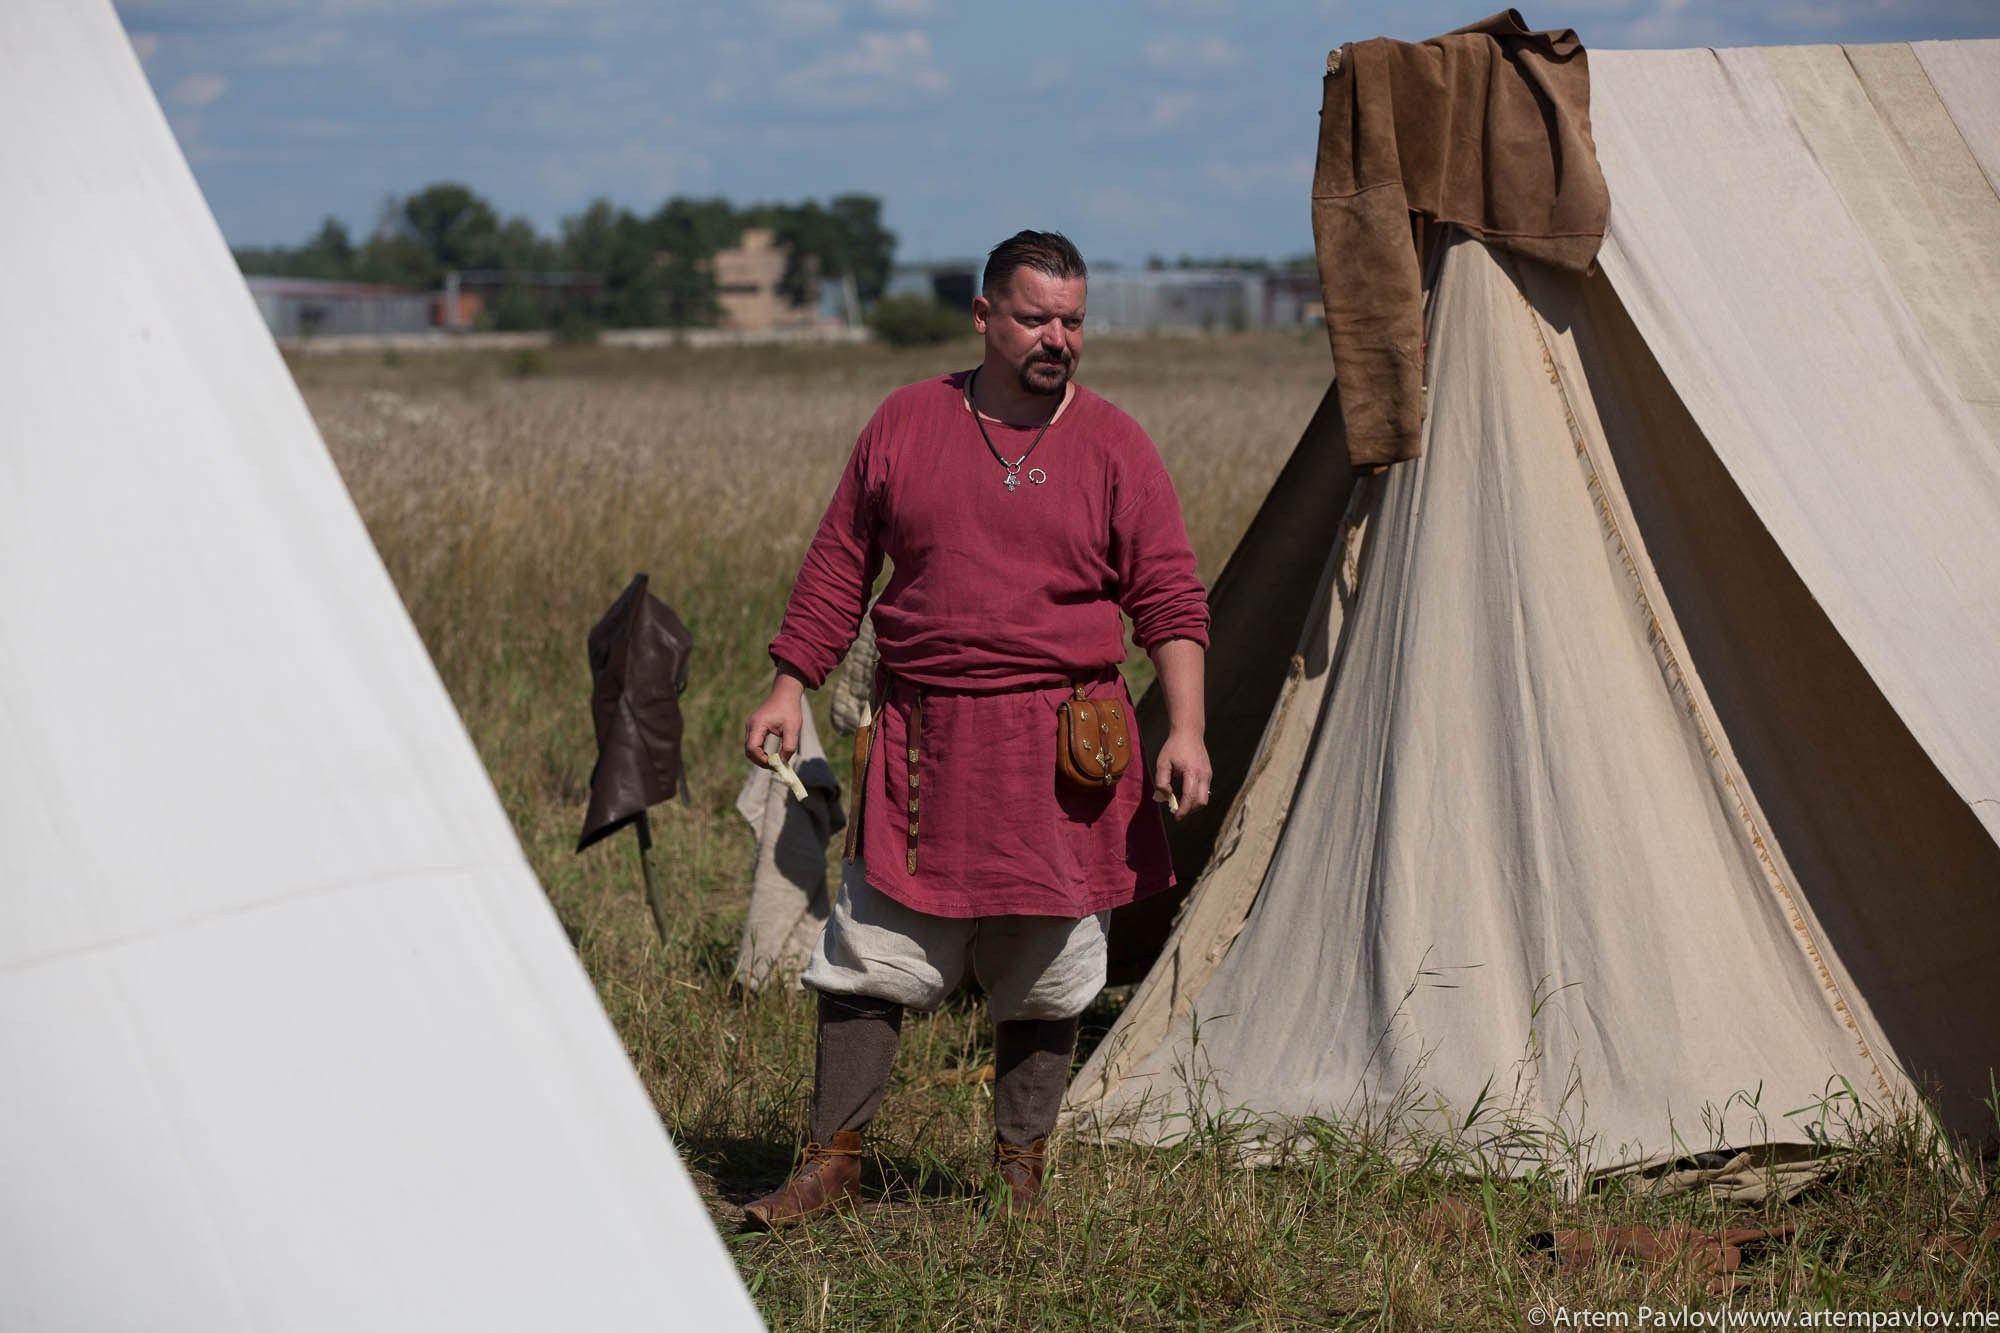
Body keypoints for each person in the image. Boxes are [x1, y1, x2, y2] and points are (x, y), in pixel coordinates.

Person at [740, 230, 1211, 1227]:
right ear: (984, 316)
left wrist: (1187, 730)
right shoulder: (907, 423)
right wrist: (789, 684)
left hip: (1063, 746)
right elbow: (839, 566)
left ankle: (1019, 1174)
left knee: (1050, 965)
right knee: (871, 947)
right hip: (925, 737)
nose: (1057, 338)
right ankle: (831, 1166)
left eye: (1073, 320)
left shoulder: (1115, 444)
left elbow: (1169, 597)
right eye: (1036, 317)